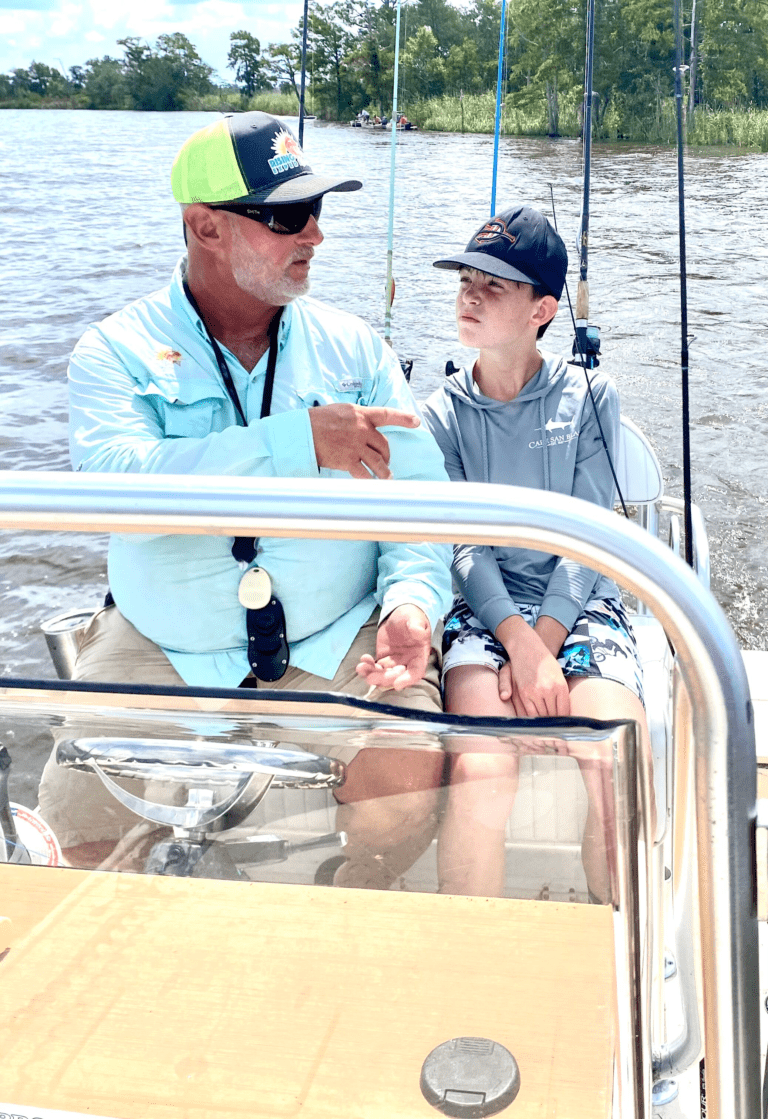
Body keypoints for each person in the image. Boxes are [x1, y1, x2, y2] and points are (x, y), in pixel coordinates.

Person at [38, 112, 452, 884]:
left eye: (315, 210)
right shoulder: (113, 351)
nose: (315, 235)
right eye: (286, 216)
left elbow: (420, 503)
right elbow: (118, 488)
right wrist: (299, 443)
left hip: (335, 636)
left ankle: (343, 901)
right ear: (206, 227)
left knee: (407, 781)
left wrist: (411, 602)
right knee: (77, 817)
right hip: (165, 640)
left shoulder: (357, 348)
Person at [421, 204, 650, 900]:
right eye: (466, 281)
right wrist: (520, 644)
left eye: (493, 286)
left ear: (542, 310)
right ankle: (473, 947)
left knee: (618, 765)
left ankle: (616, 943)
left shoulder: (592, 395)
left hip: (581, 606)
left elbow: (586, 536)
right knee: (482, 770)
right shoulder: (439, 413)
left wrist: (543, 646)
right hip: (484, 610)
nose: (469, 295)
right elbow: (463, 545)